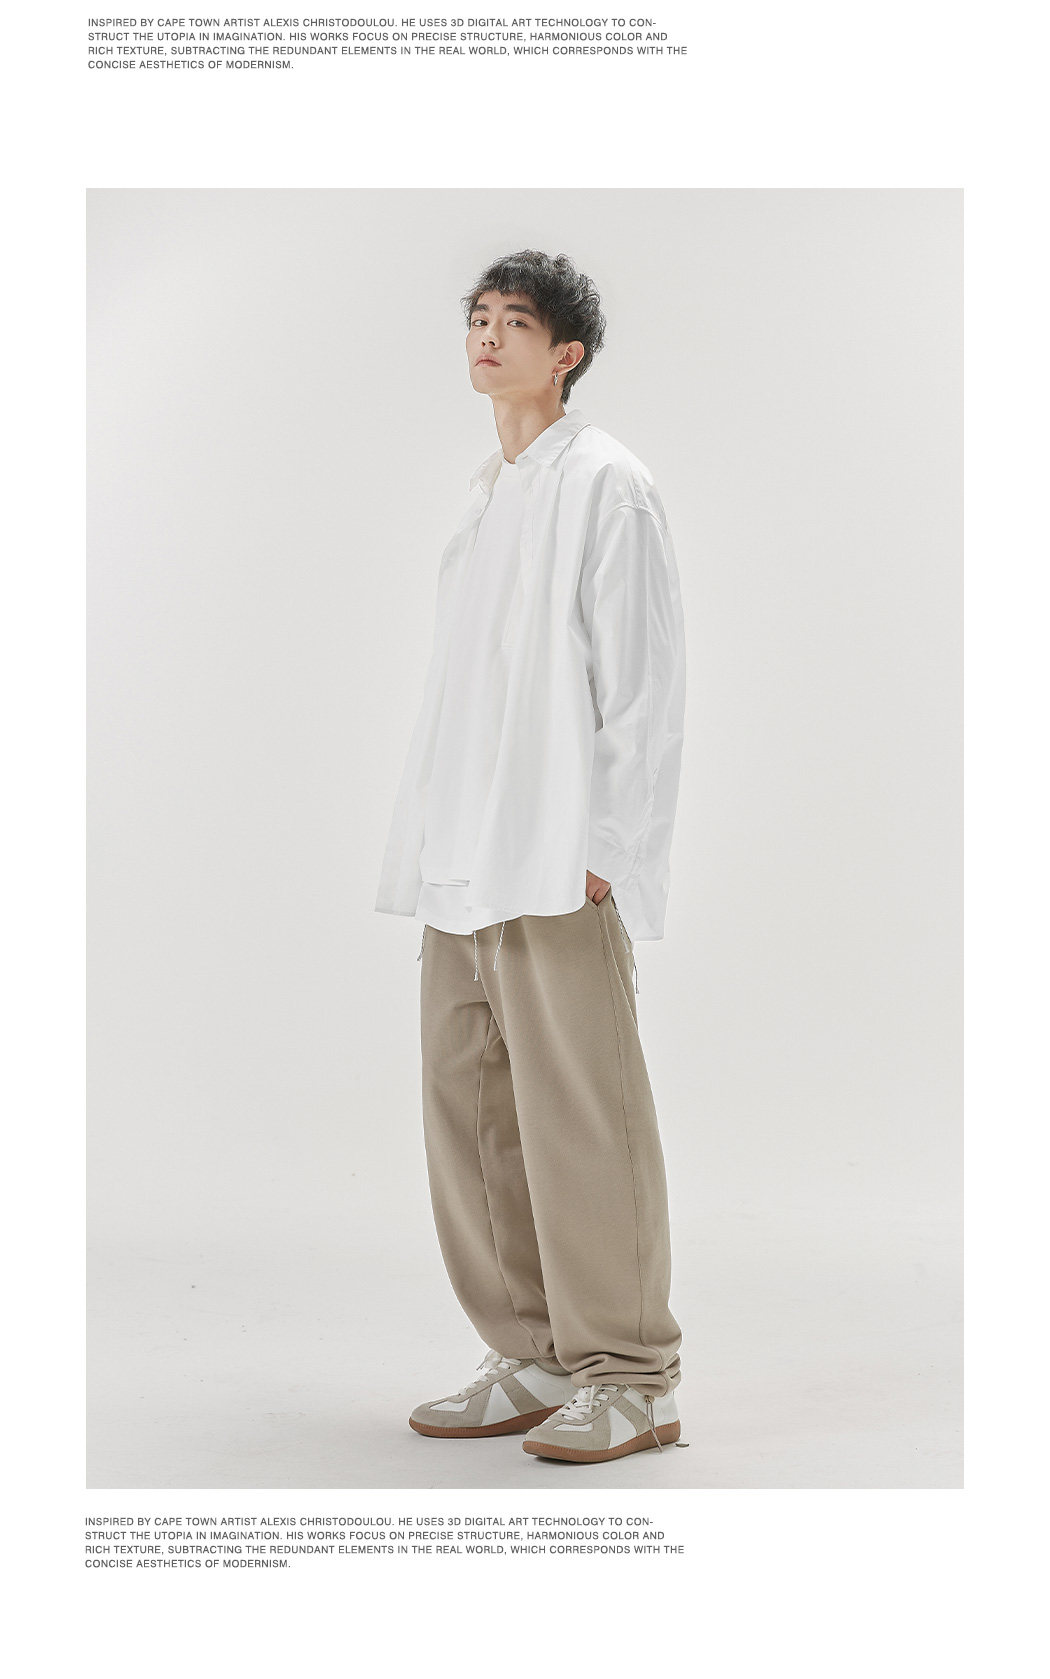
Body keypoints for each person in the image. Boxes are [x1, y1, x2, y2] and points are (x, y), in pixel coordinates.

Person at [375, 249, 687, 1463]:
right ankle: (536, 1350)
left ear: (568, 354)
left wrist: (609, 843)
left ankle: (633, 1373)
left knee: (581, 1117)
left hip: (556, 856)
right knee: (472, 1112)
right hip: (465, 854)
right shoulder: (484, 493)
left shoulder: (607, 483)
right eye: (478, 317)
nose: (488, 334)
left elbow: (646, 682)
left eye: (516, 320)